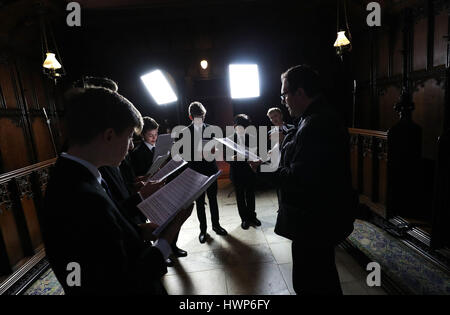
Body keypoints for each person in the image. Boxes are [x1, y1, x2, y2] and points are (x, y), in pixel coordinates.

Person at [40, 87, 193, 295]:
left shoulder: (72, 174)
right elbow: (122, 284)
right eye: (130, 137)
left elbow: (98, 246)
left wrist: (137, 231)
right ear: (109, 136)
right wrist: (167, 238)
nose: (131, 146)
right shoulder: (82, 197)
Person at [251, 65, 356, 295]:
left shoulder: (316, 124)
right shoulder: (312, 117)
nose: (283, 100)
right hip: (315, 220)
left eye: (285, 94)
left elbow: (298, 179)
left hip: (314, 223)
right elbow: (295, 156)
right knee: (321, 276)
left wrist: (264, 169)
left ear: (300, 93)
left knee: (312, 282)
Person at [129, 116, 188, 265]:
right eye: (150, 135)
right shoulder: (137, 153)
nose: (154, 138)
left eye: (156, 134)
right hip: (150, 191)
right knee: (158, 224)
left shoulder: (163, 148)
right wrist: (150, 175)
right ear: (142, 135)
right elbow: (137, 175)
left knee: (173, 218)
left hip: (166, 186)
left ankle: (172, 246)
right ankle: (162, 252)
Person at [180, 101, 227, 243]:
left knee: (213, 199)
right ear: (190, 117)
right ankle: (203, 230)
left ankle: (216, 225)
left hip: (211, 170)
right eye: (197, 117)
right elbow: (183, 155)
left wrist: (215, 150)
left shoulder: (212, 129)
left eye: (203, 116)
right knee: (200, 202)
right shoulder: (184, 133)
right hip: (196, 172)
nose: (201, 119)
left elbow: (218, 150)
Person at [227, 114, 260, 230]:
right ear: (235, 126)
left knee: (250, 195)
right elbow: (227, 157)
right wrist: (233, 158)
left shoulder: (251, 138)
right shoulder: (229, 139)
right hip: (236, 172)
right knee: (240, 197)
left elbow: (257, 154)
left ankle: (252, 217)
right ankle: (244, 219)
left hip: (249, 171)